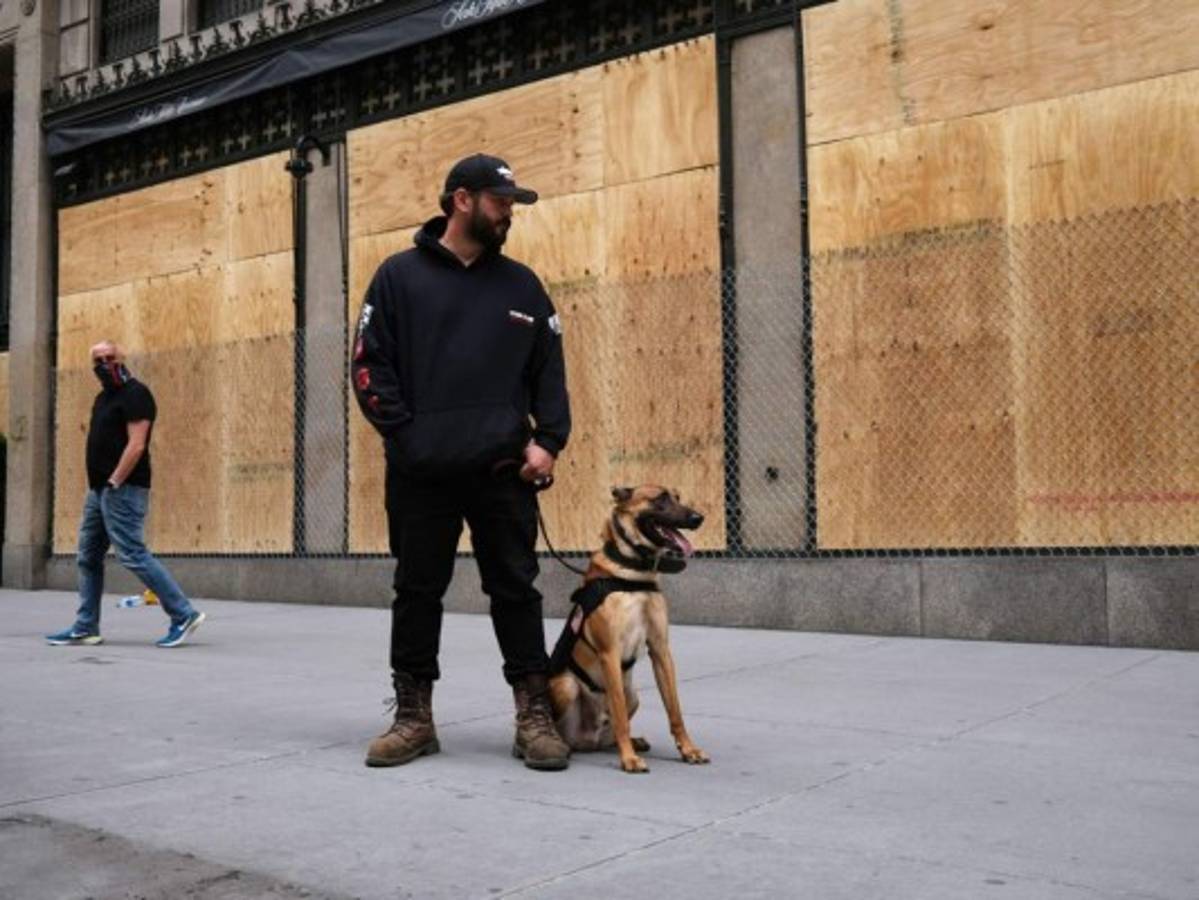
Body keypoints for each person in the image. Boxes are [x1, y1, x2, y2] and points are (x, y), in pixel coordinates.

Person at [352, 153, 571, 771]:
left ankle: (533, 716)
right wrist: (407, 437)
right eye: (501, 202)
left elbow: (549, 371)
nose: (509, 214)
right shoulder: (398, 277)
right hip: (422, 473)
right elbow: (369, 365)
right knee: (416, 591)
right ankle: (413, 718)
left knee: (515, 589)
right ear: (462, 200)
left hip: (504, 471)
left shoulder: (523, 286)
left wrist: (548, 440)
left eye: (512, 204)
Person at [46, 341, 206, 649]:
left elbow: (137, 444)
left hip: (123, 488)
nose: (105, 364)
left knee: (132, 553)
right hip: (99, 491)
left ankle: (183, 614)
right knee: (88, 557)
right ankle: (86, 627)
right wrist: (102, 487)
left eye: (110, 357)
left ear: (121, 358)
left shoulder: (136, 394)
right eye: (98, 360)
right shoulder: (103, 398)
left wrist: (115, 481)